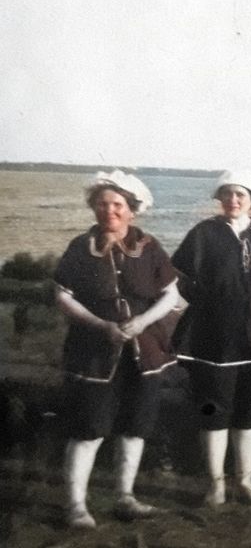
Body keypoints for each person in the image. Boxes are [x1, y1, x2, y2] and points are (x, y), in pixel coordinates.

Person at [54, 170, 180, 529]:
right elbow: (63, 296)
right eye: (102, 204)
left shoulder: (150, 246)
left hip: (146, 352)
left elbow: (170, 294)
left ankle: (125, 497)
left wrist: (141, 323)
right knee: (88, 427)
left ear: (132, 211)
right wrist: (102, 325)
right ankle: (76, 505)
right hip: (93, 353)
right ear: (94, 208)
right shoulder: (81, 248)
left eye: (118, 205)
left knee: (134, 425)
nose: (109, 211)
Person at [171, 170, 251, 507]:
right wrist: (209, 304)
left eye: (240, 195)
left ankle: (245, 482)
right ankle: (216, 485)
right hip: (213, 334)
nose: (233, 200)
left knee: (250, 410)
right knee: (214, 409)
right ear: (220, 199)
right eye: (227, 194)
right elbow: (181, 277)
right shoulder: (204, 233)